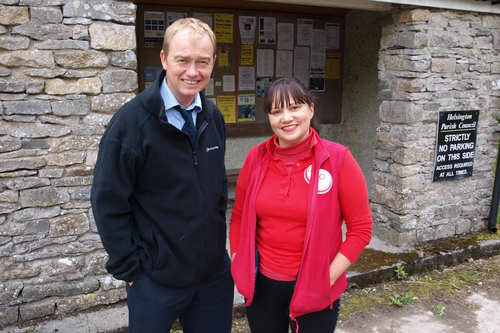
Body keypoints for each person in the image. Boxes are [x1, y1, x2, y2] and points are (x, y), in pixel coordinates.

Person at [91, 18, 233, 333]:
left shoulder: (214, 118)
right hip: (155, 280)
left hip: (213, 277)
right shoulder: (131, 123)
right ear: (164, 59)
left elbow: (218, 189)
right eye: (182, 60)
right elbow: (107, 201)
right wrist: (130, 269)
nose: (192, 71)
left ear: (212, 64)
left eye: (202, 62)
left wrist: (218, 253)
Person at [230, 77, 373, 333]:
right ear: (270, 118)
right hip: (262, 286)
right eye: (277, 111)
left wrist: (325, 280)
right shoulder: (256, 158)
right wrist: (238, 260)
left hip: (316, 289)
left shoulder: (338, 159)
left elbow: (360, 229)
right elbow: (238, 216)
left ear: (311, 109)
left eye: (294, 107)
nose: (286, 118)